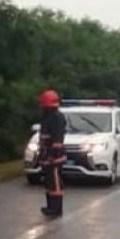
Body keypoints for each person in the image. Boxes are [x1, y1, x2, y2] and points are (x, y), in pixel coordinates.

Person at [37, 89, 67, 217]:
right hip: (47, 155)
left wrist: (52, 155)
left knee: (55, 183)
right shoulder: (48, 117)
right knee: (49, 182)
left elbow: (57, 140)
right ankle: (50, 207)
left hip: (54, 157)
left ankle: (56, 209)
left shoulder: (56, 118)